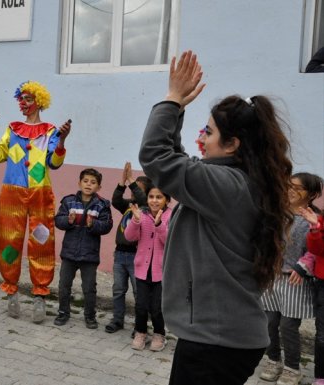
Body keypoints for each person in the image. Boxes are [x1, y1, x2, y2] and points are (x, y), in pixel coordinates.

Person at [139, 50, 293, 385]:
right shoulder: (237, 182)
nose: (202, 139)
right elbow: (177, 166)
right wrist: (177, 110)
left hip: (215, 341)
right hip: (225, 337)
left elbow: (156, 158)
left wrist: (171, 100)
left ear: (232, 144)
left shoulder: (226, 186)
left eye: (208, 132)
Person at [0, 80, 71, 323]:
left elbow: (54, 163)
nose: (23, 103)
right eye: (20, 99)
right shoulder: (12, 128)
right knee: (9, 239)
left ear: (39, 101)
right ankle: (11, 289)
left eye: (28, 99)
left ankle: (40, 295)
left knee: (41, 240)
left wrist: (62, 142)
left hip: (40, 193)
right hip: (12, 192)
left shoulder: (50, 130)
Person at [258, 172, 322, 385]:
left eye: (298, 187)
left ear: (311, 194)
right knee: (269, 322)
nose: (291, 190)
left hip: (295, 279)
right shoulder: (278, 213)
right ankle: (273, 360)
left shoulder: (314, 218)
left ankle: (292, 368)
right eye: (288, 185)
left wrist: (302, 266)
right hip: (273, 277)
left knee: (287, 325)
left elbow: (315, 250)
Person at [53, 168, 113, 329]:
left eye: (93, 182)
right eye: (85, 181)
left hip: (89, 254)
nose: (88, 184)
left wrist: (93, 224)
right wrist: (69, 220)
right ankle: (63, 313)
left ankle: (90, 316)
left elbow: (107, 225)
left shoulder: (102, 204)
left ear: (98, 187)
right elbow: (58, 220)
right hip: (69, 253)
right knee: (64, 285)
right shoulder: (69, 201)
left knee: (89, 288)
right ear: (79, 183)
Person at [124, 186, 171, 351]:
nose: (154, 200)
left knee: (157, 308)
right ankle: (141, 332)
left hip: (161, 271)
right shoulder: (141, 215)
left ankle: (159, 334)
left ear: (166, 199)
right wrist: (135, 221)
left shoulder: (171, 216)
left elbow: (169, 241)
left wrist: (159, 225)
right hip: (142, 269)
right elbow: (129, 237)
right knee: (141, 305)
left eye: (159, 197)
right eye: (151, 196)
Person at [105, 162, 151, 334]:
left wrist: (131, 180)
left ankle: (140, 326)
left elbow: (142, 200)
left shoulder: (146, 208)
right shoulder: (128, 206)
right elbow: (116, 200)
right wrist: (122, 182)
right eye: (132, 187)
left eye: (137, 188)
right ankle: (117, 320)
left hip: (136, 256)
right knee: (118, 289)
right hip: (120, 255)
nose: (133, 190)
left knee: (139, 293)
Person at [303, 204, 324, 385]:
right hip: (323, 282)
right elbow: (316, 250)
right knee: (323, 335)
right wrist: (315, 229)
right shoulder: (321, 219)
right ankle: (321, 376)